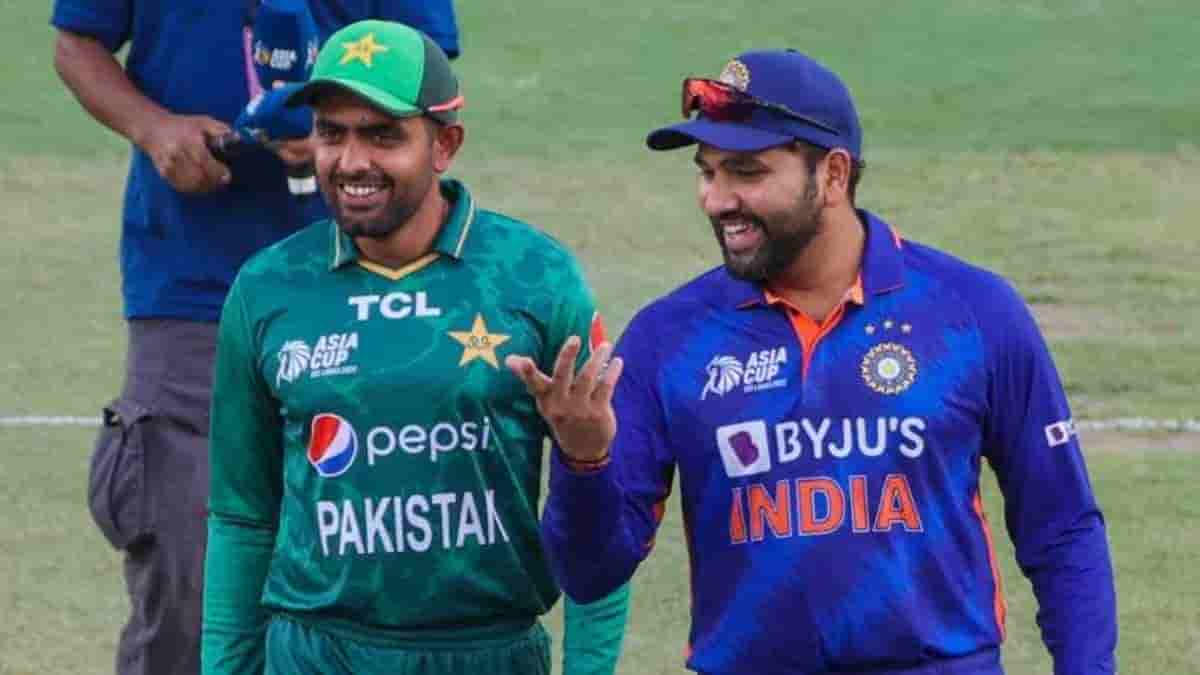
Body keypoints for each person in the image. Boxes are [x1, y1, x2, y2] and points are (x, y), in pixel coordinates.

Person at [510, 49, 1118, 674]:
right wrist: (585, 462)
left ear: (832, 174)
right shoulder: (669, 337)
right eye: (707, 172)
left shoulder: (974, 311)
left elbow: (1063, 528)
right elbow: (589, 574)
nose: (717, 200)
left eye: (746, 172)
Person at [202, 19, 630, 675]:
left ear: (444, 144)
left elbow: (598, 500)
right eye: (331, 133)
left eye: (383, 135)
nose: (351, 162)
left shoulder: (535, 277)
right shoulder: (267, 288)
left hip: (487, 655)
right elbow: (242, 516)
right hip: (315, 655)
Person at [52, 2, 459, 674]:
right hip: (192, 289)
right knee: (188, 580)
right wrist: (154, 129)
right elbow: (76, 41)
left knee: (369, 570)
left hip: (359, 280)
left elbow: (424, 68)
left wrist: (333, 136)